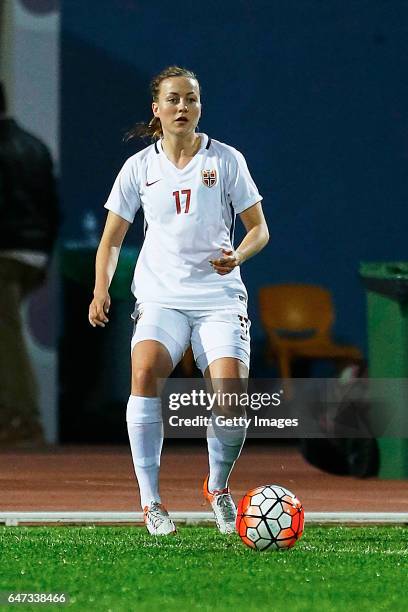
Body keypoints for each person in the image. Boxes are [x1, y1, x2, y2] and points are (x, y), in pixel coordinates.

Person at [89, 66, 269, 535]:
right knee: (145, 371)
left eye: (190, 99)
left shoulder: (227, 160)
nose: (182, 108)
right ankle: (151, 502)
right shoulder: (139, 168)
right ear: (157, 109)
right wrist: (100, 289)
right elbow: (111, 240)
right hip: (161, 295)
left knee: (230, 398)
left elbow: (258, 230)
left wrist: (239, 254)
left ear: (200, 107)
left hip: (218, 296)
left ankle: (217, 487)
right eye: (172, 100)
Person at [0, 82, 59, 445]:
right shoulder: (34, 145)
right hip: (34, 255)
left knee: (8, 339)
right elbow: (53, 207)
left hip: (5, 254)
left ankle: (23, 417)